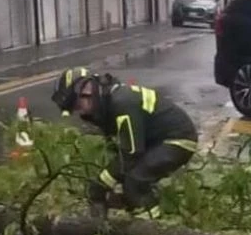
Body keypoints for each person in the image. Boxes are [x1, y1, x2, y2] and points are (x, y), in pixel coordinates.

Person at [51, 68, 198, 217]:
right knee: (128, 181)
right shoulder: (107, 105)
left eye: (77, 106)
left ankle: (152, 227)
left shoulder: (122, 104)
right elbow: (120, 148)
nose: (80, 113)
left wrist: (101, 184)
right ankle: (139, 212)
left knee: (136, 180)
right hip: (156, 141)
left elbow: (131, 152)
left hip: (178, 139)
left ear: (87, 90)